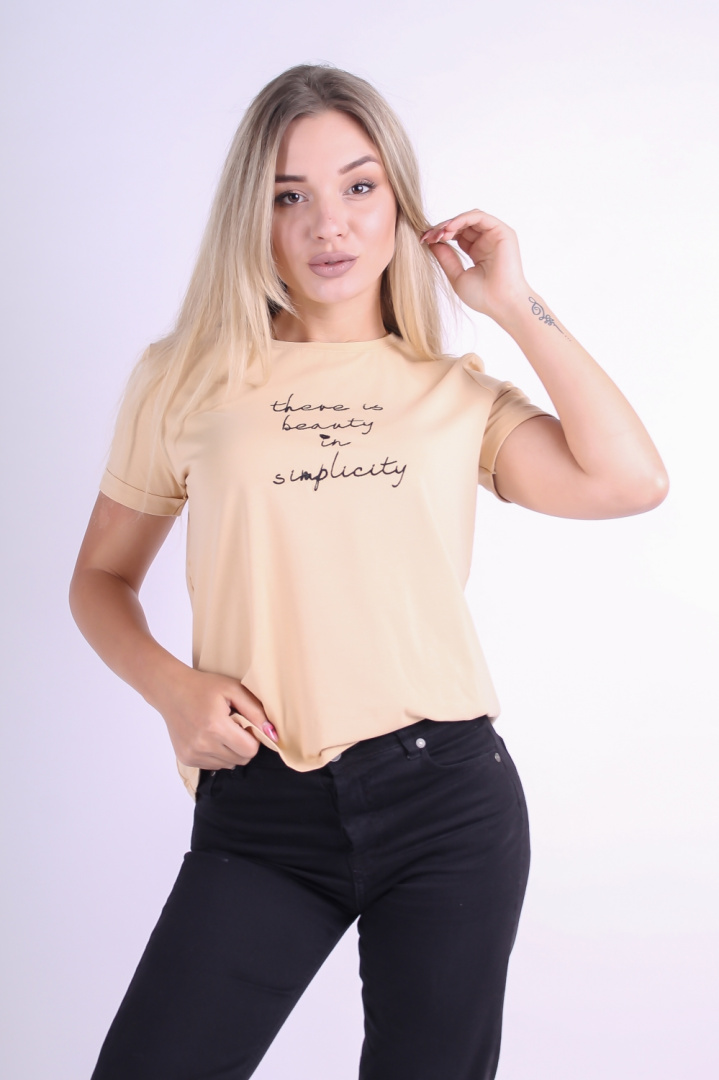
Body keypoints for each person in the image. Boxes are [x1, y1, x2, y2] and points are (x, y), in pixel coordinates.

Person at [69, 63, 668, 1080]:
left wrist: (513, 302)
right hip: (260, 806)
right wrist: (172, 689)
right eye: (287, 197)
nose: (327, 226)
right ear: (251, 217)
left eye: (357, 187)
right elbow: (98, 580)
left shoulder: (452, 393)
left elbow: (628, 481)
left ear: (399, 201)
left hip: (445, 802)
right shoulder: (184, 376)